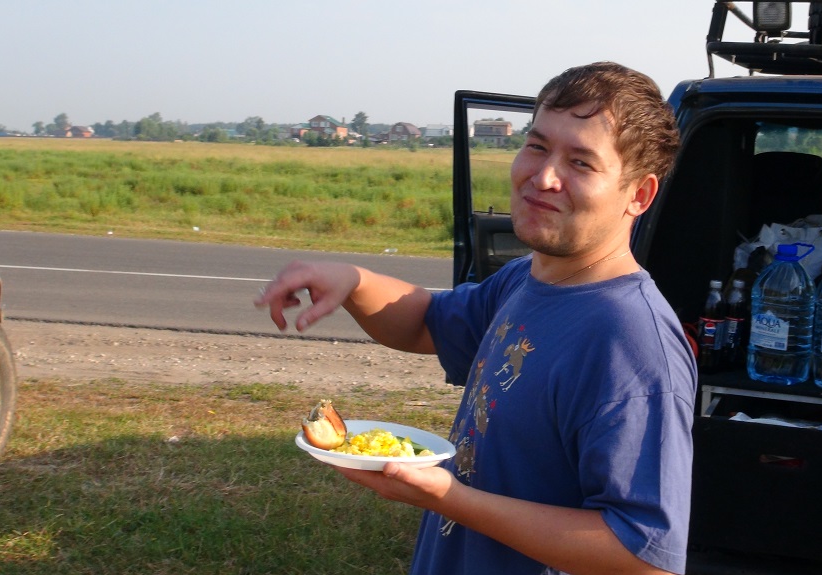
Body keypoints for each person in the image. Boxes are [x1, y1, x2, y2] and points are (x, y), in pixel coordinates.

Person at [255, 61, 696, 575]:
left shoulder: (630, 342)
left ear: (638, 195)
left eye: (581, 162)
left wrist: (448, 497)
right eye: (537, 146)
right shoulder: (527, 279)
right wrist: (355, 281)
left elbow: (643, 556)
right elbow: (425, 321)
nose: (543, 177)